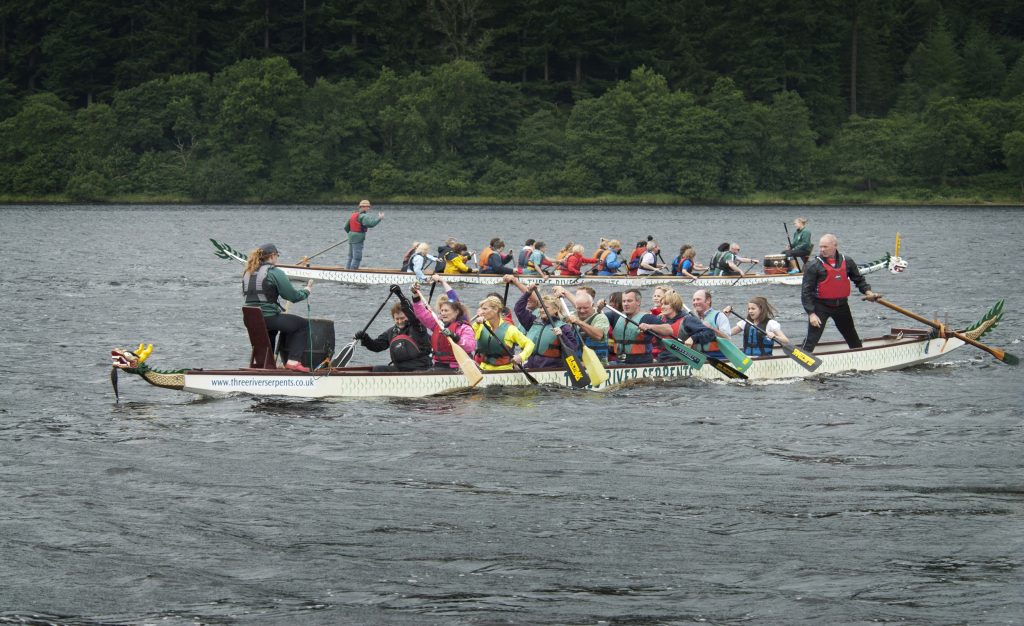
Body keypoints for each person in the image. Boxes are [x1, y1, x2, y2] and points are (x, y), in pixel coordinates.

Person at [800, 234, 881, 351]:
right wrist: (811, 314)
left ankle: (860, 358)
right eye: (820, 247)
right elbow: (806, 292)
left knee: (852, 337)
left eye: (825, 247)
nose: (822, 249)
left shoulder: (847, 261)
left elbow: (859, 279)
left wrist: (868, 292)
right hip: (820, 307)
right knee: (811, 339)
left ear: (835, 246)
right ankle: (800, 361)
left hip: (841, 306)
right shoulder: (813, 266)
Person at [242, 243, 313, 372]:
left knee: (276, 329)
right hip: (268, 318)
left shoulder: (248, 272)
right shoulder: (274, 272)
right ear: (273, 256)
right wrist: (306, 291)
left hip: (251, 319)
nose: (277, 258)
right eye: (277, 255)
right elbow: (293, 297)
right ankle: (293, 361)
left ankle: (266, 364)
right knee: (302, 325)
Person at [355, 289, 432, 371]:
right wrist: (365, 338)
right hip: (400, 367)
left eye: (402, 318)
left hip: (420, 366)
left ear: (408, 316)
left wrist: (400, 295)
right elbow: (377, 346)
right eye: (397, 319)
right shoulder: (391, 332)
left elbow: (410, 311)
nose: (400, 321)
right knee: (377, 369)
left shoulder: (418, 327)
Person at [410, 281, 477, 370]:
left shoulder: (464, 327)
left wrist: (455, 336)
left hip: (458, 366)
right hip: (439, 364)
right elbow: (421, 314)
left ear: (456, 312)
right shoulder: (437, 324)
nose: (443, 313)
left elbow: (470, 346)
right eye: (442, 311)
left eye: (446, 311)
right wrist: (415, 295)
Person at [639, 291, 715, 362]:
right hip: (661, 358)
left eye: (666, 304)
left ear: (674, 305)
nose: (662, 307)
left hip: (681, 359)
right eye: (661, 304)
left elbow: (709, 333)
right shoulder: (659, 319)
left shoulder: (687, 320)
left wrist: (693, 338)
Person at [513, 288, 580, 369]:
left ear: (556, 309)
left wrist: (562, 336)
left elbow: (573, 349)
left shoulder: (564, 327)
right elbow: (518, 309)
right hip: (531, 366)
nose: (541, 310)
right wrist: (528, 292)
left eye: (546, 308)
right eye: (541, 307)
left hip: (552, 368)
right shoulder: (532, 321)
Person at [602, 289, 664, 364]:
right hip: (619, 362)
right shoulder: (615, 316)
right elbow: (597, 318)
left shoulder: (647, 318)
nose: (625, 304)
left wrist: (650, 326)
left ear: (638, 302)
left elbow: (668, 329)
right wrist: (599, 309)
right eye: (624, 301)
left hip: (642, 363)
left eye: (629, 301)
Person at [473, 295, 535, 371]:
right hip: (483, 368)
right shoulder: (480, 325)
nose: (481, 312)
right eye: (481, 309)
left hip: (504, 370)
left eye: (485, 309)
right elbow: (469, 337)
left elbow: (530, 344)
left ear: (495, 309)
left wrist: (521, 356)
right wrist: (476, 324)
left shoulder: (510, 329)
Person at [555, 286, 610, 364]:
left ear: (592, 305)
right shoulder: (571, 315)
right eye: (579, 308)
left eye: (585, 308)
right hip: (576, 364)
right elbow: (554, 315)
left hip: (596, 363)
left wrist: (579, 322)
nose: (582, 311)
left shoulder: (600, 317)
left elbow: (598, 335)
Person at [723, 296, 790, 356]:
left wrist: (775, 336)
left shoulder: (770, 323)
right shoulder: (745, 322)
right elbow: (726, 333)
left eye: (753, 309)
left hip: (764, 359)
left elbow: (786, 341)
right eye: (749, 309)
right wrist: (725, 316)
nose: (750, 311)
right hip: (747, 360)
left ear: (761, 309)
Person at [690, 289, 734, 358]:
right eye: (694, 300)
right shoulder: (691, 318)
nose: (695, 302)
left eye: (698, 299)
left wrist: (711, 328)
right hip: (698, 357)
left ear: (708, 300)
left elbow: (727, 338)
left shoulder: (719, 316)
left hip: (718, 357)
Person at [345, 199, 384, 269]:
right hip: (358, 238)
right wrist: (379, 218)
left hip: (351, 237)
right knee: (357, 257)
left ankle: (346, 271)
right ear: (363, 207)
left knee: (350, 257)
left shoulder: (353, 215)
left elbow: (346, 227)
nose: (368, 208)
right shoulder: (364, 216)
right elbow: (371, 224)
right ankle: (352, 273)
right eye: (368, 207)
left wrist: (351, 234)